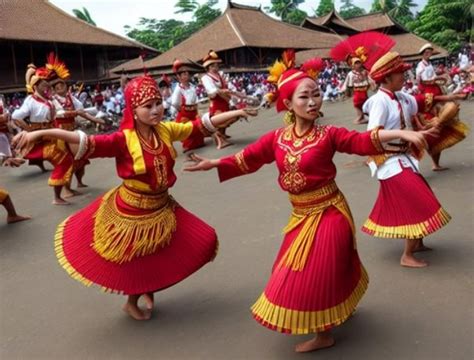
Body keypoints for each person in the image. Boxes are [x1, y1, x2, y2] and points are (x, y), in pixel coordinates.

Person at [184, 52, 431, 353]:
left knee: (316, 270)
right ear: (288, 104)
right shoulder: (276, 138)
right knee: (297, 270)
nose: (313, 102)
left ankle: (324, 335)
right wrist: (214, 163)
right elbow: (248, 159)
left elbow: (361, 141)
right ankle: (336, 311)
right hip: (300, 215)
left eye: (317, 94)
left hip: (330, 211)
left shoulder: (328, 135)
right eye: (305, 97)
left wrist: (402, 131)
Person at [13, 75, 257, 321]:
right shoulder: (122, 140)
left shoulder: (165, 130)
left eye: (158, 103)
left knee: (195, 243)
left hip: (162, 205)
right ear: (134, 110)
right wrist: (39, 133)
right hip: (133, 209)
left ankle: (148, 290)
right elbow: (83, 139)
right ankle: (131, 302)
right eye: (148, 106)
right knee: (139, 261)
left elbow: (200, 125)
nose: (156, 109)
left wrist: (235, 112)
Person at [362, 51, 451, 268]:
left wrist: (448, 98)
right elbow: (372, 135)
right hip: (389, 161)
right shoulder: (379, 102)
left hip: (404, 158)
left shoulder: (401, 97)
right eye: (400, 73)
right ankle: (407, 255)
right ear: (387, 79)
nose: (404, 76)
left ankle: (417, 243)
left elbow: (420, 101)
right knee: (417, 202)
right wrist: (403, 134)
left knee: (421, 196)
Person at [11, 64, 75, 205]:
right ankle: (57, 196)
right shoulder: (30, 101)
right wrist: (28, 129)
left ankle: (67, 189)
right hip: (40, 138)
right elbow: (16, 116)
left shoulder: (48, 99)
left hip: (52, 133)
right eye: (43, 82)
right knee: (62, 159)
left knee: (69, 156)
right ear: (36, 86)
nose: (46, 84)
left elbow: (53, 116)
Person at [48, 53, 104, 193]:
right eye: (58, 86)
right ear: (54, 89)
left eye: (62, 84)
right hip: (61, 135)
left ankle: (79, 182)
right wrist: (76, 114)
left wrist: (95, 119)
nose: (61, 87)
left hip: (73, 131)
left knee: (81, 159)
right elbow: (59, 114)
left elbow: (81, 111)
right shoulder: (52, 101)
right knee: (68, 161)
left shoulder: (71, 98)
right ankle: (66, 190)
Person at [412, 92, 469, 171]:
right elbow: (413, 114)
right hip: (422, 123)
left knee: (434, 144)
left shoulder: (423, 99)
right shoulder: (423, 98)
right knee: (418, 147)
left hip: (426, 121)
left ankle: (435, 165)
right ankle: (413, 169)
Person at [171, 59, 206, 152]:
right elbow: (174, 102)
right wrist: (181, 109)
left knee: (198, 127)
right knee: (187, 130)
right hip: (185, 113)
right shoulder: (178, 89)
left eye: (187, 73)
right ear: (179, 77)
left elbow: (195, 98)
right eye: (184, 74)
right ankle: (188, 146)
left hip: (193, 111)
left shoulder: (191, 86)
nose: (187, 75)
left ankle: (198, 143)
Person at [201, 50, 233, 148]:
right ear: (209, 67)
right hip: (217, 102)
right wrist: (221, 91)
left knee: (228, 118)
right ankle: (218, 138)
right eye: (214, 65)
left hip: (224, 101)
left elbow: (227, 84)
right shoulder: (206, 78)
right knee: (220, 120)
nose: (216, 67)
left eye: (216, 65)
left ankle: (222, 135)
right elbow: (211, 90)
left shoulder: (220, 75)